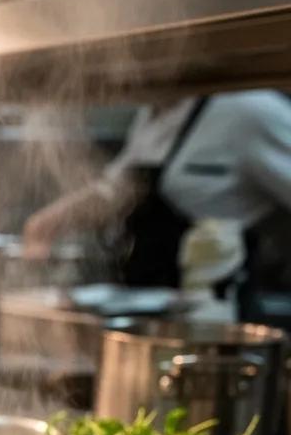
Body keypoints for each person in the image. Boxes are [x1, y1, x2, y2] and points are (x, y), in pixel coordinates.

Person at [23, 90, 291, 313]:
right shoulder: (154, 111)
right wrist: (49, 221)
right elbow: (121, 188)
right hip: (155, 313)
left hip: (220, 317)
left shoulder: (249, 110)